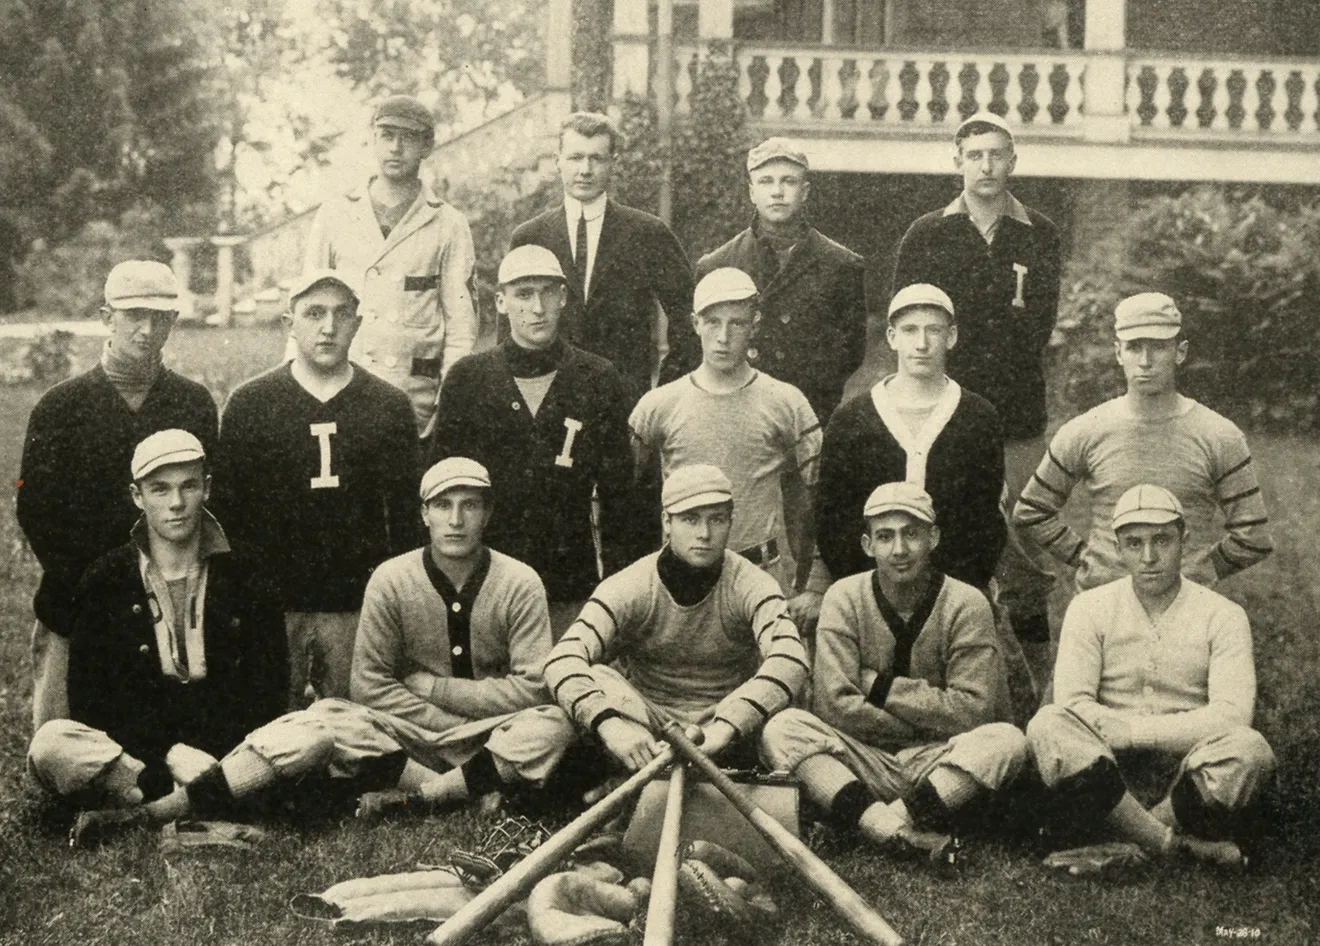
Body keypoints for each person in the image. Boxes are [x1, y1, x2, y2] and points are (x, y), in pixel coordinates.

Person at [26, 430, 286, 842]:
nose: (176, 503)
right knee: (52, 742)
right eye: (159, 489)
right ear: (136, 495)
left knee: (313, 730)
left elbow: (269, 693)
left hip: (227, 757)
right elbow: (91, 704)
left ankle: (149, 815)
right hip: (143, 764)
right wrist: (167, 754)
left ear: (208, 488)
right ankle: (219, 801)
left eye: (189, 486)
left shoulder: (248, 575)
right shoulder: (105, 579)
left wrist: (214, 761)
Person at [761, 483, 1027, 864]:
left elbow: (974, 711)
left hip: (939, 759)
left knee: (1006, 741)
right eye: (885, 537)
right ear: (868, 545)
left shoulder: (967, 603)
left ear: (933, 538)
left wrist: (877, 685)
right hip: (864, 757)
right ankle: (903, 832)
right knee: (783, 728)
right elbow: (834, 707)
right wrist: (927, 718)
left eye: (911, 534)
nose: (899, 550)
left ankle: (876, 824)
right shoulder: (843, 598)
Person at [1027, 484, 1275, 869]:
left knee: (1250, 749)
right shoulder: (1089, 608)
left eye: (1162, 540)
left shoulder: (1223, 615)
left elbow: (1232, 715)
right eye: (1133, 543)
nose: (1149, 557)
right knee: (1048, 724)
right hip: (1105, 771)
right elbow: (1072, 705)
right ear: (1117, 548)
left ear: (1185, 540)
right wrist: (1113, 738)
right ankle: (1169, 846)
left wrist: (1133, 732)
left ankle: (1119, 840)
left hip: (1187, 772)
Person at [16, 260, 218, 731]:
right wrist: (91, 580)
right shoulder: (61, 405)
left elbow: (206, 502)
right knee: (61, 748)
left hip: (170, 587)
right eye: (134, 316)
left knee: (164, 734)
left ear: (174, 321)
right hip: (78, 591)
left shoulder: (191, 402)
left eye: (160, 317)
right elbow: (36, 508)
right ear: (107, 317)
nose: (147, 330)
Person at [892, 111, 1063, 647]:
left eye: (996, 154)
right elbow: (907, 319)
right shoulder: (928, 233)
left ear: (1013, 160)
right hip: (944, 407)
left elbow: (1041, 322)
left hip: (1016, 408)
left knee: (1024, 531)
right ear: (957, 161)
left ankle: (1036, 666)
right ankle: (941, 646)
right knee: (940, 522)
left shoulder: (1039, 232)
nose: (986, 166)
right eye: (975, 155)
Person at [213, 270, 420, 706]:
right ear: (289, 324)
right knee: (268, 723)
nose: (329, 327)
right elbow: (228, 516)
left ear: (358, 324)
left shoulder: (388, 405)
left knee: (356, 727)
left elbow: (405, 519)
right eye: (314, 313)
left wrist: (394, 605)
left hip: (356, 605)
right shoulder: (251, 403)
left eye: (341, 314)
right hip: (273, 606)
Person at [543, 465, 808, 773]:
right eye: (690, 519)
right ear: (666, 522)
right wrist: (611, 725)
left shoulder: (752, 583)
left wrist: (725, 727)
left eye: (717, 519)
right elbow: (561, 658)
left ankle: (642, 782)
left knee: (784, 705)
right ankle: (644, 770)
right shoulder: (631, 584)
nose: (704, 534)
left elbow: (791, 658)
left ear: (730, 522)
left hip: (724, 727)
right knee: (600, 676)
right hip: (645, 728)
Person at [431, 246, 635, 636]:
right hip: (482, 584)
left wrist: (617, 595)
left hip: (568, 585)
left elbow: (619, 501)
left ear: (563, 297)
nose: (537, 307)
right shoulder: (468, 379)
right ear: (501, 302)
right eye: (524, 294)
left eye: (547, 292)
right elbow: (440, 488)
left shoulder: (597, 378)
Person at [1013, 292, 1273, 594]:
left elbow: (1254, 536)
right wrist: (1090, 560)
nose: (1146, 362)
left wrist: (1197, 570)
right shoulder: (1084, 430)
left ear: (1180, 352)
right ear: (1118, 353)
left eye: (1159, 347)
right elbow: (1031, 511)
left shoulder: (1219, 435)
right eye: (1134, 347)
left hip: (1187, 612)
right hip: (1103, 605)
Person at [629, 268, 824, 627]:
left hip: (760, 576)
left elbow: (821, 495)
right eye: (712, 322)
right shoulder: (658, 406)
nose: (723, 337)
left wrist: (816, 583)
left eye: (737, 323)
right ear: (694, 323)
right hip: (679, 581)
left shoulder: (786, 402)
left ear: (755, 325)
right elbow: (618, 495)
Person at [303, 94, 477, 437]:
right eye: (386, 135)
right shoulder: (335, 214)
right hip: (341, 392)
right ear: (373, 138)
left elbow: (461, 329)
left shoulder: (448, 223)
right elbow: (304, 312)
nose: (395, 148)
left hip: (413, 402)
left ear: (427, 145)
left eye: (408, 137)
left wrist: (448, 403)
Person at [816, 283, 1004, 591]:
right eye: (909, 330)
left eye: (934, 330)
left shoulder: (978, 417)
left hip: (955, 591)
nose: (921, 343)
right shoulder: (851, 419)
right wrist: (866, 590)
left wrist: (958, 589)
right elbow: (834, 520)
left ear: (952, 336)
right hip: (868, 591)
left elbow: (984, 520)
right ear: (892, 337)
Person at [670, 138, 868, 425]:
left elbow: (850, 351)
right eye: (766, 182)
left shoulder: (841, 264)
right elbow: (697, 346)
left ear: (805, 192)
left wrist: (809, 396)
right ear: (752, 192)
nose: (777, 192)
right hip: (734, 410)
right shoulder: (717, 264)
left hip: (809, 413)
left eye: (788, 181)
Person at [510, 111, 693, 399]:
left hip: (623, 408)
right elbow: (510, 328)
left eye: (596, 158)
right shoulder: (530, 236)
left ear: (614, 163)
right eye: (575, 157)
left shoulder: (647, 233)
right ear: (558, 160)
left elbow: (688, 319)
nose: (585, 169)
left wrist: (662, 398)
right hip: (545, 405)